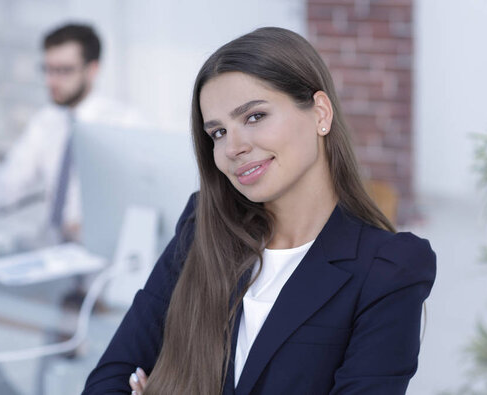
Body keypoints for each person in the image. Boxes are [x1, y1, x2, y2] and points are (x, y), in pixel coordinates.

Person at [82, 27, 436, 395]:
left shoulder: (389, 269)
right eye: (217, 132)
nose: (233, 147)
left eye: (254, 117)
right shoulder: (203, 225)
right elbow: (109, 380)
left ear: (320, 113)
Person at [0, 23, 140, 242]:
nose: (50, 81)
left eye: (63, 70)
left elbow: (140, 204)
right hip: (50, 246)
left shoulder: (126, 123)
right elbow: (7, 184)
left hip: (100, 250)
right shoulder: (47, 120)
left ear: (92, 70)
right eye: (47, 69)